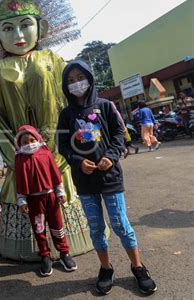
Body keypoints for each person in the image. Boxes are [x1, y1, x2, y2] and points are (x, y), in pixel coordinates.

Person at [0, 0, 92, 261]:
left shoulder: (52, 59)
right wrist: (14, 156)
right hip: (22, 152)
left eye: (25, 25)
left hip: (58, 147)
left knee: (59, 197)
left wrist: (66, 145)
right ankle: (38, 250)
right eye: (8, 28)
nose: (18, 35)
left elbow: (69, 102)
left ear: (40, 28)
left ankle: (66, 247)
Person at [57, 60, 157, 295]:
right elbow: (62, 145)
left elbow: (119, 135)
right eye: (70, 80)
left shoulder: (106, 106)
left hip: (110, 177)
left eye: (80, 77)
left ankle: (138, 267)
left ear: (90, 78)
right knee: (96, 229)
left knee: (121, 225)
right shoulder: (66, 114)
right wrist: (79, 162)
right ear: (65, 85)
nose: (76, 83)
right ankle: (105, 268)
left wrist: (111, 156)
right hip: (84, 182)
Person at [15, 125, 77, 276]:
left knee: (57, 225)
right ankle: (45, 256)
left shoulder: (46, 154)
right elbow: (19, 182)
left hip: (51, 197)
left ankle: (64, 253)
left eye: (32, 139)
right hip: (34, 201)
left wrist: (60, 192)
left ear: (38, 138)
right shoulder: (20, 159)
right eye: (24, 142)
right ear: (19, 144)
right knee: (39, 228)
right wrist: (22, 201)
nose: (29, 143)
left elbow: (55, 175)